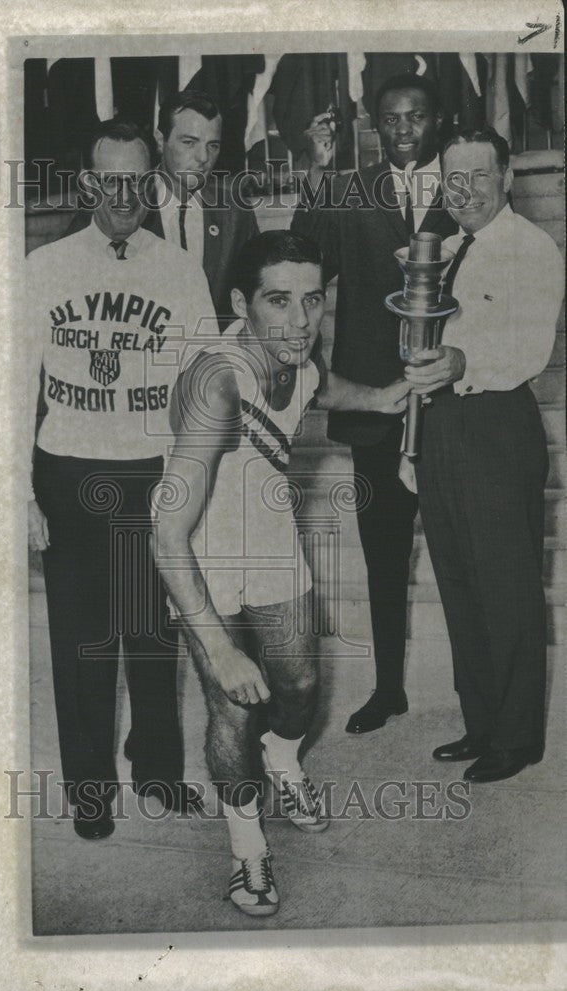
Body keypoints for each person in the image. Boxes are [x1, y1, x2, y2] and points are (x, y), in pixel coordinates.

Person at [152, 230, 410, 915]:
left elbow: (323, 387)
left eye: (312, 301)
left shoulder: (298, 351)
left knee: (299, 683)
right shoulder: (215, 381)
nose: (298, 321)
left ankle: (285, 759)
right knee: (232, 709)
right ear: (241, 303)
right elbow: (166, 533)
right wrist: (217, 646)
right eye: (278, 302)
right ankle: (247, 853)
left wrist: (388, 396)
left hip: (269, 541)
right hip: (201, 559)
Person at [26, 119, 216, 838]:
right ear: (87, 183)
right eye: (110, 181)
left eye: (138, 180)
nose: (125, 195)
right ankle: (89, 793)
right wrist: (22, 493)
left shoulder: (178, 269)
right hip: (68, 473)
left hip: (148, 475)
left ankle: (161, 774)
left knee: (150, 636)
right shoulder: (46, 268)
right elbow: (17, 385)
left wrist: (189, 484)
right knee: (82, 644)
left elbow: (203, 387)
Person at [291, 73, 458, 735]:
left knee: (459, 554)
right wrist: (319, 171)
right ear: (375, 126)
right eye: (390, 120)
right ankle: (389, 689)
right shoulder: (352, 190)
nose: (403, 130)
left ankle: (482, 698)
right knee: (385, 557)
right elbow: (303, 258)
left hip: (450, 401)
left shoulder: (464, 185)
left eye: (415, 117)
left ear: (437, 119)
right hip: (376, 408)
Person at [402, 127, 564, 783]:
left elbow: (528, 350)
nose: (462, 191)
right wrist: (413, 443)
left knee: (508, 591)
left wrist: (462, 360)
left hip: (498, 428)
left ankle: (519, 738)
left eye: (477, 176)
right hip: (442, 428)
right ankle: (483, 722)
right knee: (462, 586)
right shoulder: (444, 250)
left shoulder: (532, 248)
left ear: (506, 179)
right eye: (452, 178)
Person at [147, 88, 259, 325]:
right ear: (160, 140)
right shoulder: (126, 205)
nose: (203, 158)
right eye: (189, 142)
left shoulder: (235, 212)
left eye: (213, 146)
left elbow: (255, 294)